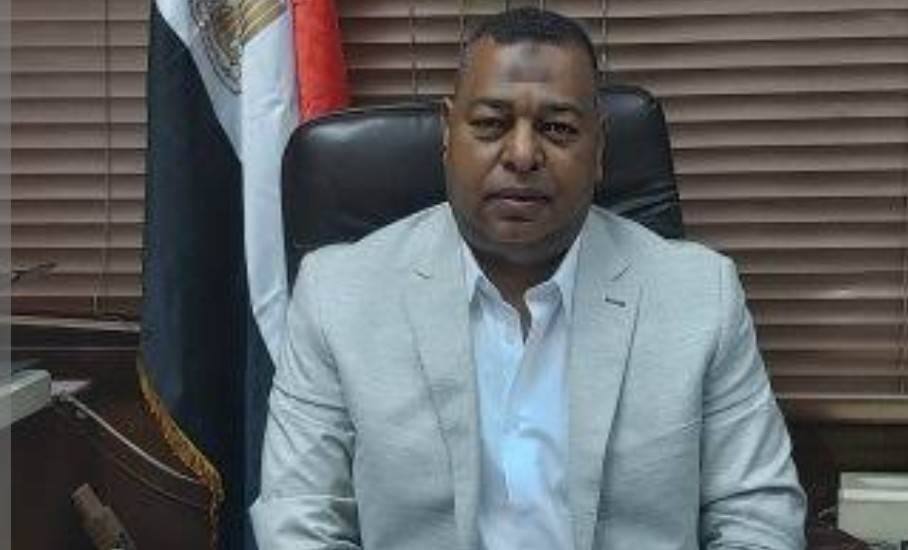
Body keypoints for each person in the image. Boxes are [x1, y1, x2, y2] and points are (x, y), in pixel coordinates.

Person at [250, 8, 806, 550]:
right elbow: (298, 516)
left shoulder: (700, 296)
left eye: (557, 128)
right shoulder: (337, 295)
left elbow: (758, 516)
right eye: (491, 125)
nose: (521, 154)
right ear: (447, 133)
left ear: (599, 147)